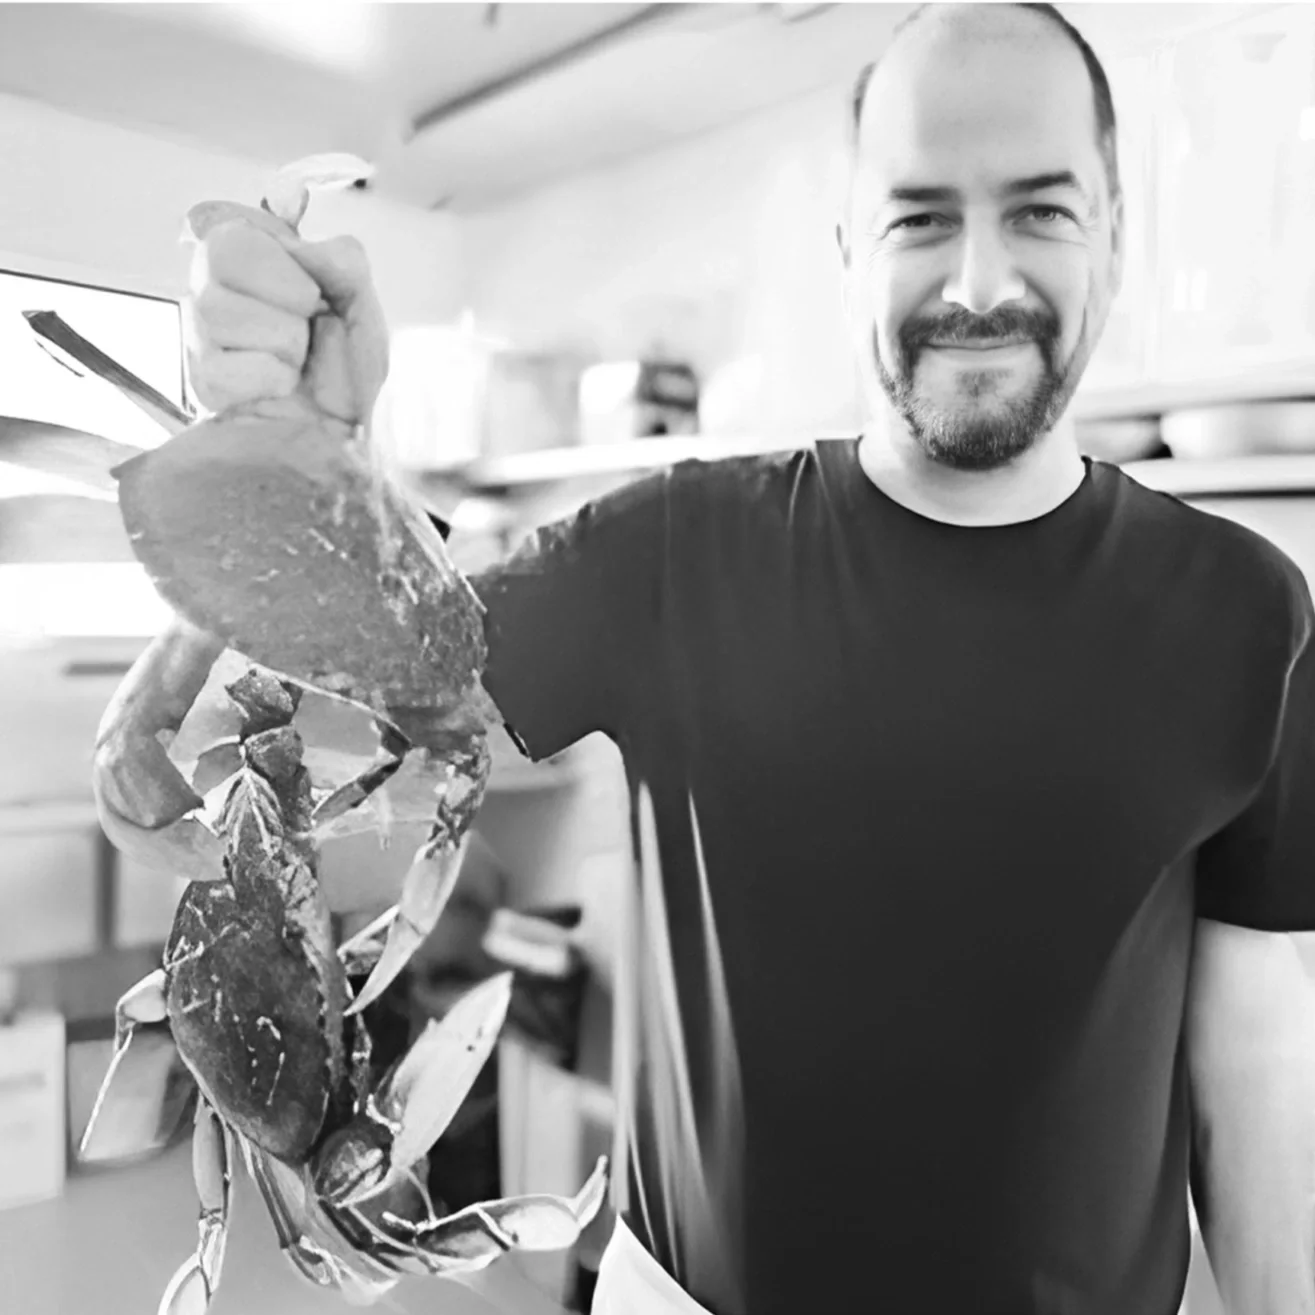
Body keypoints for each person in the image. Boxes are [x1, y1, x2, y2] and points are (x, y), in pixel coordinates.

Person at [98, 5, 1315, 1314]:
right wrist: (279, 461)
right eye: (919, 216)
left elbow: (1254, 1059)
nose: (976, 280)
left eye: (1041, 209)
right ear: (848, 249)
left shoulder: (1248, 613)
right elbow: (263, 729)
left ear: (1115, 235)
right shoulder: (671, 552)